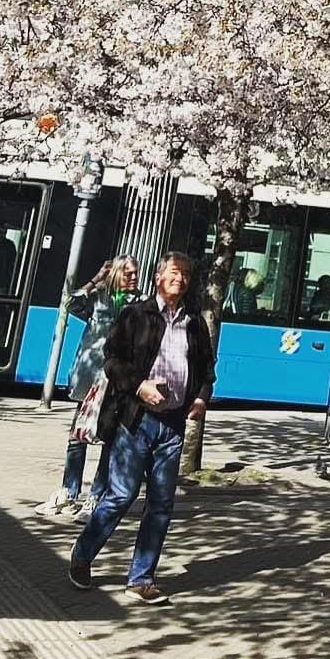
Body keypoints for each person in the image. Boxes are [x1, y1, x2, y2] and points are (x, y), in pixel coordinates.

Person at [68, 252, 215, 604]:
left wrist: (201, 397)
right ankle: (83, 554)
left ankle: (141, 579)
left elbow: (207, 367)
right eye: (173, 273)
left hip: (173, 424)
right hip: (136, 419)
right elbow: (112, 361)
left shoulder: (194, 323)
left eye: (185, 275)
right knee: (121, 495)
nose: (179, 280)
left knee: (162, 504)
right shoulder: (137, 315)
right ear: (158, 277)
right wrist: (139, 386)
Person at [38, 255, 139, 520]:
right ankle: (69, 491)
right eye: (128, 273)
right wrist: (95, 279)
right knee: (77, 436)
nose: (133, 277)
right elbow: (70, 303)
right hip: (89, 376)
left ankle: (95, 497)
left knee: (108, 439)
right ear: (115, 274)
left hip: (115, 381)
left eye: (135, 273)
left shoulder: (138, 304)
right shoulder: (99, 298)